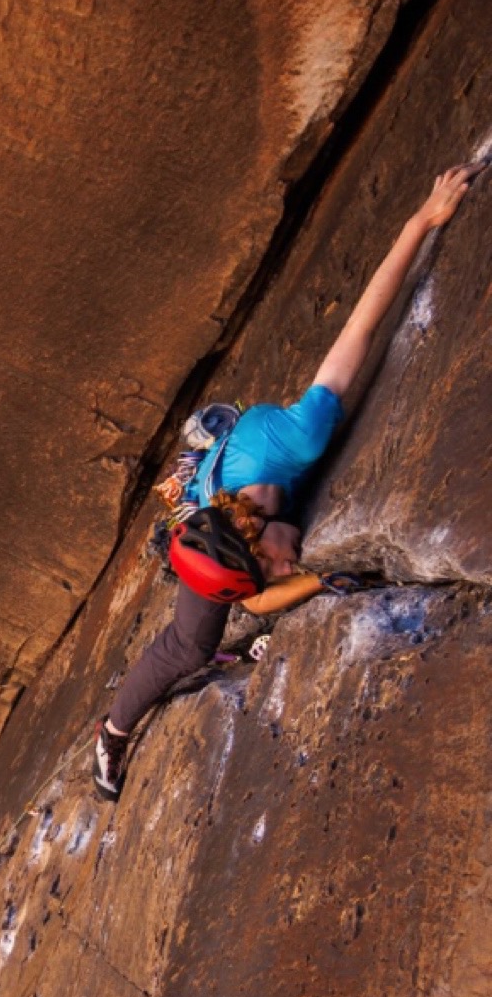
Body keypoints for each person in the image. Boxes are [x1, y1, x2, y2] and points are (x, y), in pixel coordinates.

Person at [94, 164, 478, 800]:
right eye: (274, 566)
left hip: (236, 453)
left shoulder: (295, 439)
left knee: (204, 629)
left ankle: (213, 432)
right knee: (187, 647)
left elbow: (358, 329)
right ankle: (112, 732)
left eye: (270, 563)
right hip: (195, 496)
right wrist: (311, 580)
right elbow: (255, 595)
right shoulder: (230, 531)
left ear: (256, 533)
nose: (281, 566)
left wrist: (421, 222)